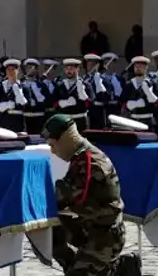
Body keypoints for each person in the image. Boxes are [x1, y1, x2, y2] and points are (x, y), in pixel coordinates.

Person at [41, 114, 142, 276]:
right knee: (48, 230)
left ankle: (113, 269)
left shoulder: (89, 162)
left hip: (104, 237)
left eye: (53, 145)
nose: (53, 151)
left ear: (65, 140)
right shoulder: (81, 155)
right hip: (90, 226)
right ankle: (89, 268)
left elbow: (63, 197)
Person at [120, 56, 158, 129]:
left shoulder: (152, 83)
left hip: (148, 120)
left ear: (146, 67)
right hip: (133, 120)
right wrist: (129, 105)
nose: (138, 68)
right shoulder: (129, 84)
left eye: (140, 66)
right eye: (136, 66)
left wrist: (148, 94)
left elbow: (157, 102)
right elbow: (122, 101)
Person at [54, 58, 91, 131]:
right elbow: (54, 103)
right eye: (67, 69)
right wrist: (63, 103)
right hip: (65, 121)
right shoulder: (60, 85)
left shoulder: (85, 84)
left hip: (80, 121)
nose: (68, 71)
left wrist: (83, 96)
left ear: (77, 69)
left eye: (71, 69)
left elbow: (90, 104)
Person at [0, 59, 27, 132]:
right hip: (2, 122)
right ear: (6, 71)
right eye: (8, 69)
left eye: (13, 69)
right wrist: (2, 106)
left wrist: (20, 96)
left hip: (18, 122)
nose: (11, 72)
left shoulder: (23, 87)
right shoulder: (0, 87)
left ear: (17, 71)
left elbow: (28, 105)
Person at [21, 58, 48, 134]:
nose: (29, 69)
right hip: (25, 119)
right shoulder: (21, 84)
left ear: (36, 70)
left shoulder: (41, 85)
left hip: (39, 118)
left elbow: (46, 101)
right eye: (27, 67)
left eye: (31, 67)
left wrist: (36, 92)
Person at [83, 54, 108, 129]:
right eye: (89, 65)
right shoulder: (83, 79)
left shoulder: (103, 80)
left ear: (97, 66)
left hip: (98, 111)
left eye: (93, 65)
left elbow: (106, 97)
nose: (90, 67)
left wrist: (98, 80)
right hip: (86, 112)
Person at [100, 52, 124, 117]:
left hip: (117, 108)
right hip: (103, 109)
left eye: (112, 64)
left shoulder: (120, 79)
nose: (109, 66)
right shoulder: (99, 78)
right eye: (107, 63)